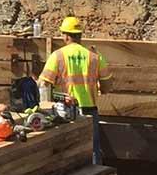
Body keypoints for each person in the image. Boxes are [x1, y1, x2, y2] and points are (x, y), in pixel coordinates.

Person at [38, 16, 112, 164]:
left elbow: (43, 83)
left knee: (67, 149)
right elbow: (107, 85)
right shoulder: (94, 57)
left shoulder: (58, 56)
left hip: (66, 111)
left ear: (65, 35)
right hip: (90, 109)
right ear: (80, 35)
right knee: (93, 147)